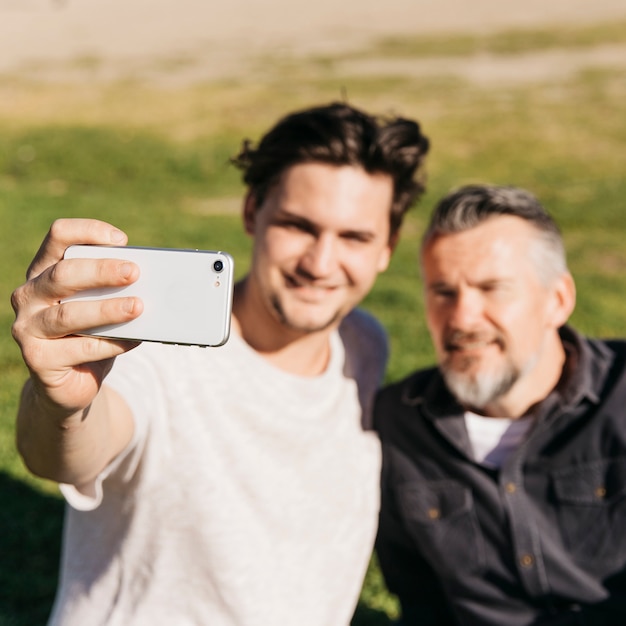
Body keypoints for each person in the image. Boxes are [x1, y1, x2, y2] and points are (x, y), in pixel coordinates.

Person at [10, 102, 430, 626]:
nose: (321, 264)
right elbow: (64, 456)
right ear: (253, 212)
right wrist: (60, 404)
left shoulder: (364, 344)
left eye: (354, 237)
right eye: (299, 225)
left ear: (386, 248)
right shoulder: (151, 351)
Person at [374, 184, 626, 626]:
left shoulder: (619, 396)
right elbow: (421, 604)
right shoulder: (398, 425)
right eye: (443, 292)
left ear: (558, 300)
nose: (464, 318)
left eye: (493, 288)